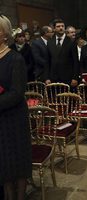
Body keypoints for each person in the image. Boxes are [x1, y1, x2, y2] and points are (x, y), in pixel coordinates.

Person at [0, 14, 32, 200]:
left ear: (4, 34)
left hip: (13, 118)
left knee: (17, 162)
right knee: (4, 162)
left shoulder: (15, 58)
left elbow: (17, 92)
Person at [46, 19, 79, 88]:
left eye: (62, 26)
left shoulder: (71, 42)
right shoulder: (50, 42)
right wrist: (47, 77)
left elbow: (75, 61)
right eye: (58, 26)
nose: (61, 28)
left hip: (68, 78)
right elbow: (48, 61)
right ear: (54, 29)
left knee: (67, 98)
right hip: (53, 77)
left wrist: (75, 78)